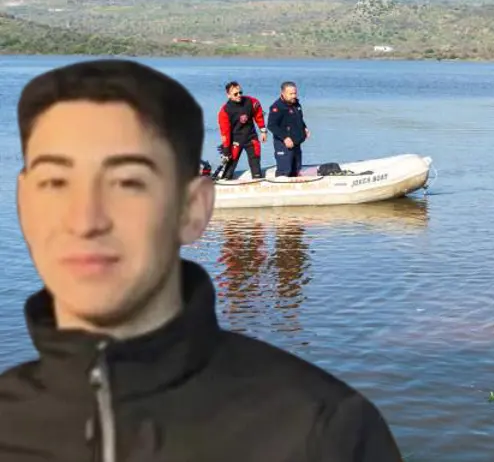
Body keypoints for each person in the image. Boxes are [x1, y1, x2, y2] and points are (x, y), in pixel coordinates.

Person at [2, 59, 404, 460]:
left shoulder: (325, 428)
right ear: (22, 204)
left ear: (194, 207)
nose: (86, 219)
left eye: (129, 183)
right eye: (55, 182)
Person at [217, 80, 268, 179]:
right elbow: (225, 132)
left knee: (255, 165)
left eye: (240, 92)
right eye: (235, 94)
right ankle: (226, 178)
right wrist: (226, 151)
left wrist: (263, 130)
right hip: (235, 140)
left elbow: (259, 115)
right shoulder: (224, 111)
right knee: (228, 171)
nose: (239, 95)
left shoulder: (251, 102)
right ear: (228, 95)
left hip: (251, 138)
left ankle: (257, 179)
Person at [267, 80, 310, 177]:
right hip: (283, 143)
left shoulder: (296, 104)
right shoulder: (277, 107)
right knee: (285, 170)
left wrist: (305, 128)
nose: (294, 96)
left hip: (296, 142)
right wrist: (285, 138)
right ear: (283, 93)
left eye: (295, 93)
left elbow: (299, 119)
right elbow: (271, 125)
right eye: (291, 94)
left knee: (296, 170)